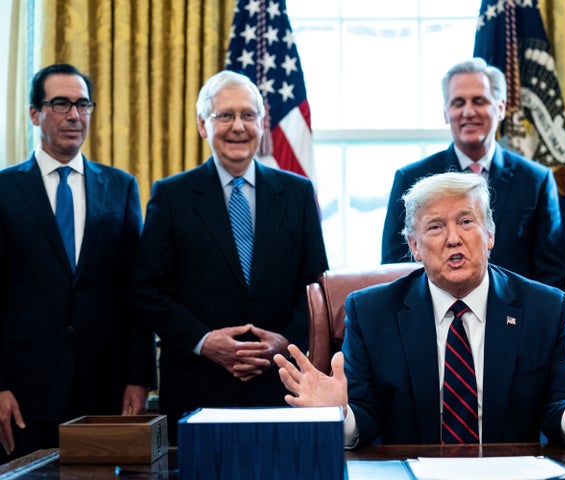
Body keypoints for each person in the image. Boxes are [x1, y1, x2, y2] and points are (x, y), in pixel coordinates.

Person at [274, 172, 565, 447]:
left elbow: (557, 410)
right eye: (435, 227)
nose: (453, 238)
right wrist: (337, 418)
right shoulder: (372, 313)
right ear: (415, 246)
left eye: (467, 221)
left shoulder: (543, 308)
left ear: (490, 235)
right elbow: (367, 417)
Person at [132, 70, 329, 444]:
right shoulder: (171, 196)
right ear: (203, 126)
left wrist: (284, 342)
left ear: (263, 123)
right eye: (224, 115)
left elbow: (316, 286)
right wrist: (205, 342)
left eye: (248, 115)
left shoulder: (298, 193)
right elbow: (148, 291)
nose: (238, 126)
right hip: (196, 388)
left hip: (280, 387)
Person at [0, 64, 157, 462]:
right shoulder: (5, 189)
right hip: (24, 392)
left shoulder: (120, 187)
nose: (75, 115)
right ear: (34, 113)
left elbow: (135, 292)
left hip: (104, 389)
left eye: (83, 104)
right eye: (61, 104)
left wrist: (140, 379)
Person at [381, 58, 565, 291]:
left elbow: (551, 274)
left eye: (479, 101)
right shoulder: (411, 180)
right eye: (458, 103)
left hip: (515, 320)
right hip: (436, 320)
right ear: (446, 113)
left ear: (500, 108)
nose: (468, 112)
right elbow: (395, 268)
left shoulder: (535, 181)